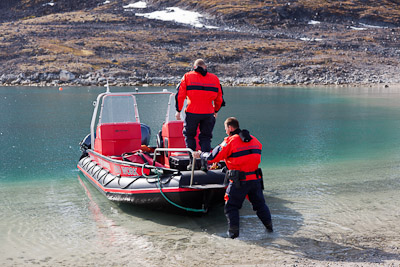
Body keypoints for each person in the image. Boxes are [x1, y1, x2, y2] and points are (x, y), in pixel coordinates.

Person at [193, 117, 273, 239]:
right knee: (260, 205)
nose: (226, 131)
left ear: (230, 128)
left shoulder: (229, 141)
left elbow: (212, 157)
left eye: (226, 129)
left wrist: (200, 154)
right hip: (255, 179)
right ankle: (270, 229)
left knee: (231, 207)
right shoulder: (254, 140)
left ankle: (233, 236)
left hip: (239, 181)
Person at [175, 59, 225, 166]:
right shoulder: (214, 78)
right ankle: (205, 163)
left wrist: (178, 110)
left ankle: (191, 162)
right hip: (208, 113)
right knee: (206, 137)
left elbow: (180, 95)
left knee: (189, 136)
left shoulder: (187, 76)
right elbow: (219, 98)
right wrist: (216, 110)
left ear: (194, 67)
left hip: (192, 112)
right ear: (205, 67)